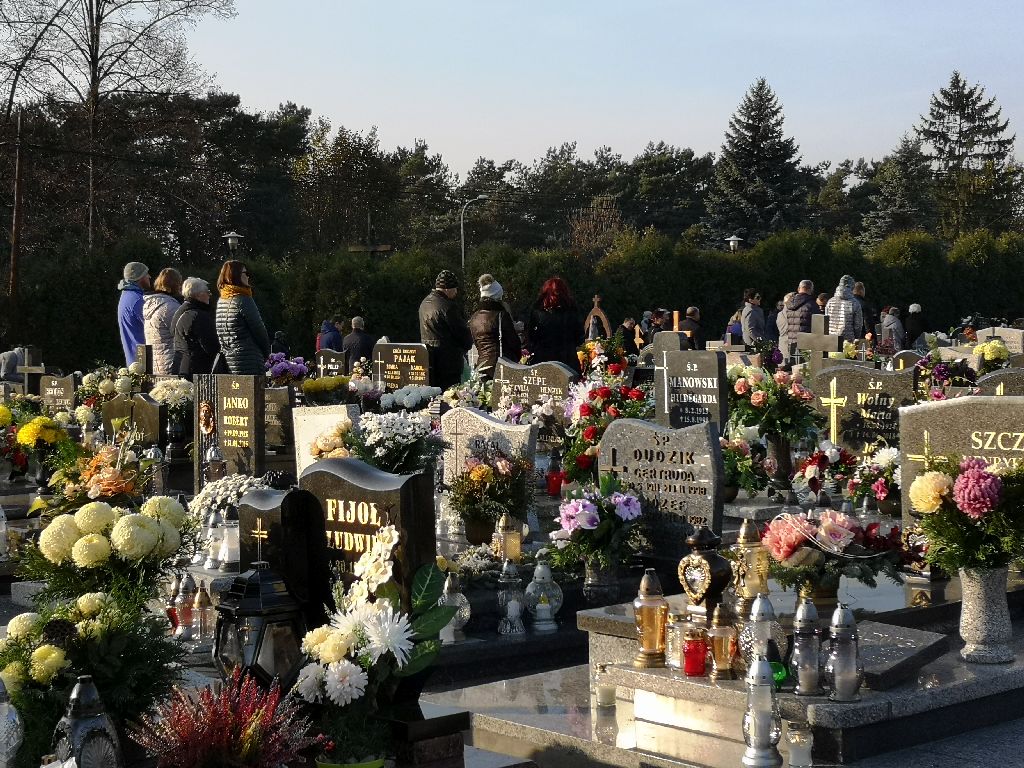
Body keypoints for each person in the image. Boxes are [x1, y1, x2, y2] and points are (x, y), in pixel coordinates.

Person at [215, 260, 271, 375]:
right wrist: (267, 353)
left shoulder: (222, 301)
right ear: (236, 275)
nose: (248, 277)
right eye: (245, 273)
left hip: (229, 359)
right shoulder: (243, 299)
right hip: (249, 359)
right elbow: (259, 329)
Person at [419, 270, 473, 390]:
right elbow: (462, 334)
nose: (456, 292)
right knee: (450, 395)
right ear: (448, 289)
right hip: (449, 362)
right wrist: (467, 342)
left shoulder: (424, 304)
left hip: (429, 359)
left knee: (434, 395)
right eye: (455, 288)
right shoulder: (448, 306)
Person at [468, 274, 521, 382]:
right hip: (501, 367)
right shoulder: (501, 316)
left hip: (482, 366)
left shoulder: (474, 317)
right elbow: (514, 342)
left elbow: (477, 343)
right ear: (498, 297)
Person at [527, 276, 583, 370]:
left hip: (543, 361)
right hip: (568, 361)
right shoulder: (572, 310)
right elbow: (579, 336)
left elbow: (531, 337)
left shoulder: (537, 312)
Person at [171, 277, 219, 378]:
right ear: (199, 295)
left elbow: (172, 332)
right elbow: (211, 346)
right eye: (207, 292)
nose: (209, 295)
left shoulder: (180, 311)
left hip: (178, 364)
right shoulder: (198, 315)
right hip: (196, 369)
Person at [143, 267, 182, 375]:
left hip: (156, 363)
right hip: (170, 362)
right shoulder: (170, 307)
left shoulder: (150, 304)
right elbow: (181, 334)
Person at [117, 261, 151, 366]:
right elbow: (154, 327)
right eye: (146, 274)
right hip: (143, 359)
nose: (149, 277)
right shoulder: (137, 300)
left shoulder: (126, 296)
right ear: (139, 277)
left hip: (133, 358)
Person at [825, 275, 863, 343]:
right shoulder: (855, 303)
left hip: (831, 338)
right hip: (848, 339)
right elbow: (858, 325)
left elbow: (826, 320)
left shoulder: (830, 301)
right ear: (852, 287)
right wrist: (856, 337)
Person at [785, 279, 818, 349]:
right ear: (811, 290)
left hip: (791, 340)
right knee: (804, 356)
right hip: (806, 341)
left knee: (793, 356)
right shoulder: (812, 305)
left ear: (798, 288)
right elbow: (818, 325)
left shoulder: (789, 304)